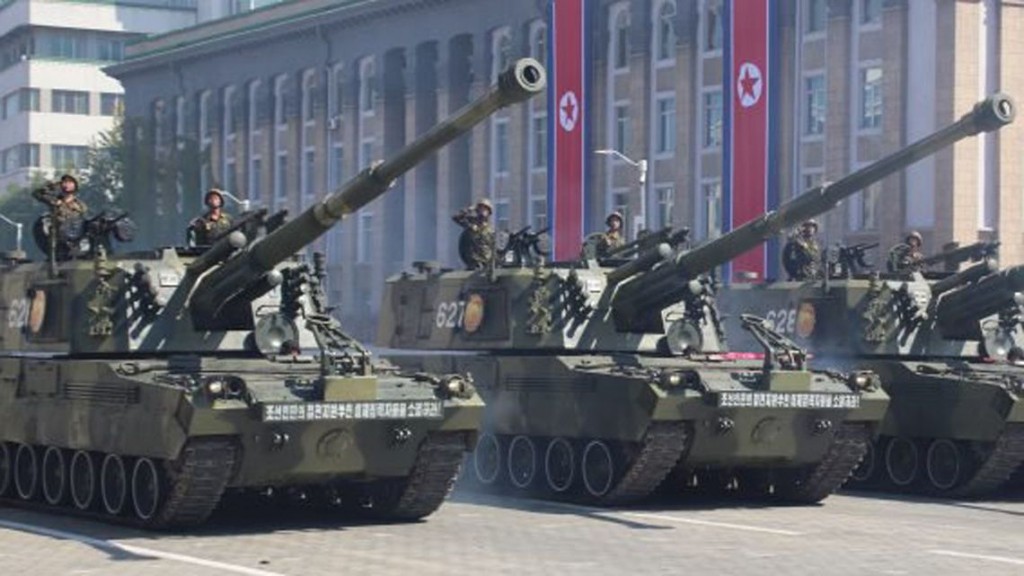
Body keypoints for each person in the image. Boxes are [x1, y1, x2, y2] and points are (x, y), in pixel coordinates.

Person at [32, 173, 88, 260]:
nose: (66, 184)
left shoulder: (80, 205)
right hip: (57, 237)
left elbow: (82, 222)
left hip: (73, 237)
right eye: (64, 182)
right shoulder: (55, 201)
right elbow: (37, 194)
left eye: (70, 182)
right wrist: (52, 186)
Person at [454, 198, 495, 270]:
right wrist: (470, 209)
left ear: (489, 212)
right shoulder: (472, 222)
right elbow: (456, 217)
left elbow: (493, 247)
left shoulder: (490, 230)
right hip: (472, 259)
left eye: (485, 209)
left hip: (485, 261)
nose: (482, 211)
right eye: (481, 208)